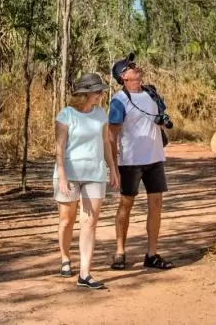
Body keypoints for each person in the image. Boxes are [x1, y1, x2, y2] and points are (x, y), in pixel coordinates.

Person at [107, 52, 174, 271]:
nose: (136, 67)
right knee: (126, 204)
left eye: (134, 65)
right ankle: (120, 252)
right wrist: (113, 168)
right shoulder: (119, 101)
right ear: (123, 77)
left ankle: (152, 254)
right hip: (130, 161)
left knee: (156, 205)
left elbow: (161, 118)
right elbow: (112, 135)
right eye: (130, 67)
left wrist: (163, 122)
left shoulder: (152, 92)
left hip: (155, 158)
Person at [53, 72, 119, 290]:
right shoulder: (66, 114)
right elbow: (59, 148)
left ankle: (85, 273)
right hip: (69, 173)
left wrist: (113, 168)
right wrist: (62, 175)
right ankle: (64, 257)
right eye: (97, 91)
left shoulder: (101, 114)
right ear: (85, 93)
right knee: (66, 220)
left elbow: (106, 143)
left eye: (101, 91)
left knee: (90, 222)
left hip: (94, 173)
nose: (101, 95)